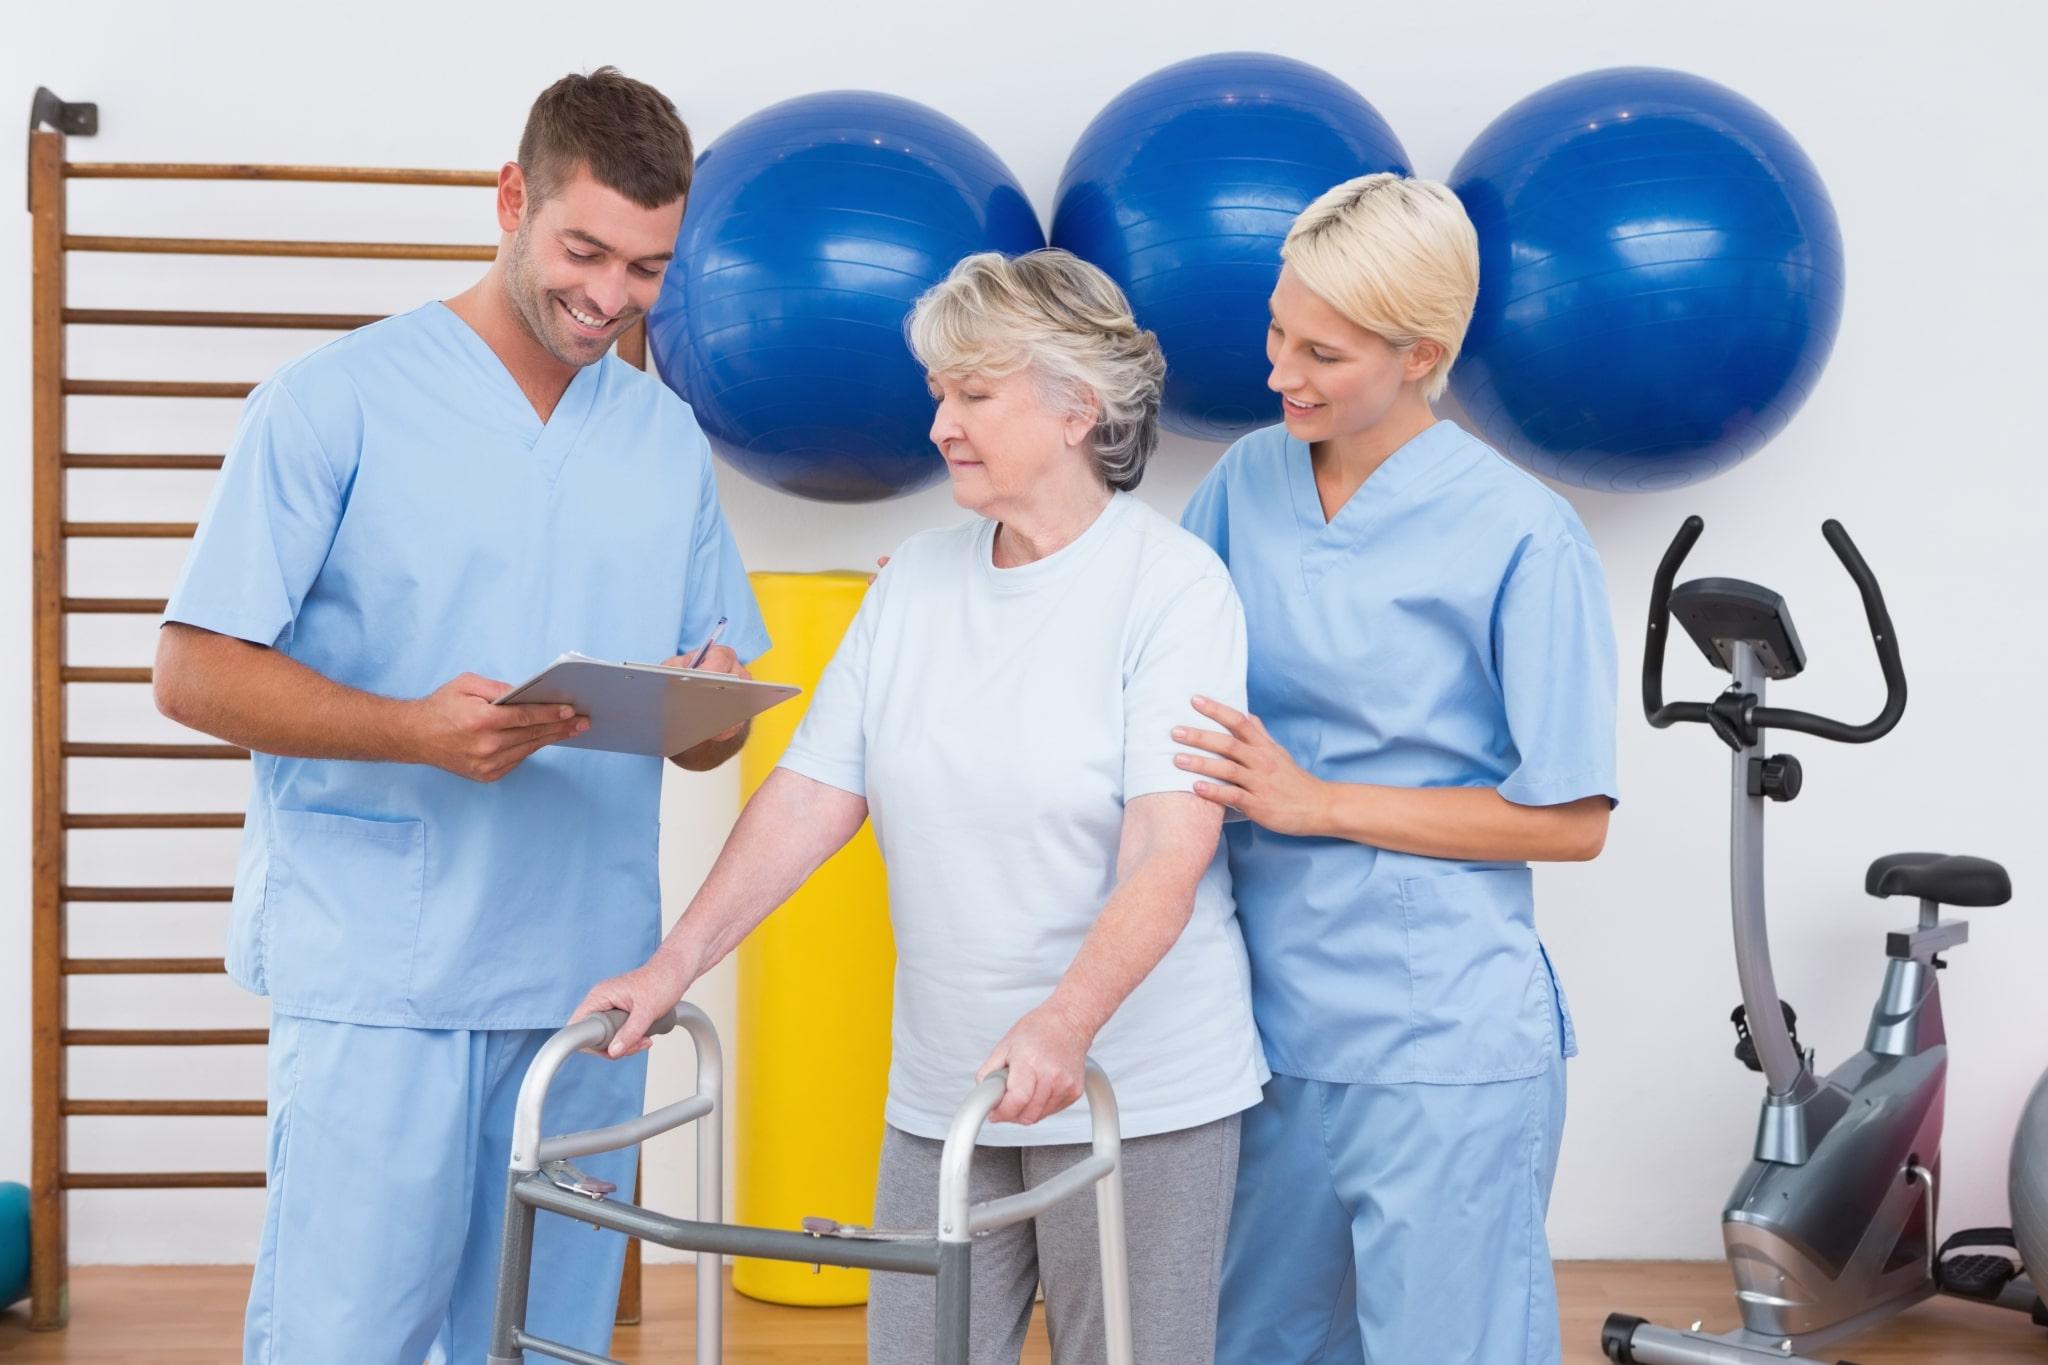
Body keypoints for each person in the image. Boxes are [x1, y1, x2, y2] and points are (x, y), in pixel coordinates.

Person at [151, 68, 766, 1365]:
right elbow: (193, 669)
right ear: (510, 200)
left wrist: (708, 707)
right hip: (387, 969)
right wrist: (408, 729)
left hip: (591, 980)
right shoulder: (334, 402)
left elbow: (718, 729)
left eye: (647, 268)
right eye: (584, 250)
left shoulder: (663, 441)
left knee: (551, 1342)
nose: (609, 298)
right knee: (347, 1339)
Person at [575, 249, 1266, 1364]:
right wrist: (674, 964)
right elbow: (806, 797)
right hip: (944, 1081)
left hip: (1129, 1084)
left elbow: (1166, 855)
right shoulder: (912, 583)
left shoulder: (1172, 590)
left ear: (1075, 406)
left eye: (973, 393)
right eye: (937, 390)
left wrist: (1065, 1020)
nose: (940, 419)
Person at [1175, 173, 1619, 1364]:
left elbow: (1572, 818)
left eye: (1321, 351)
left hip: (1438, 1039)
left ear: (1420, 352)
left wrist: (1315, 803)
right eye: (1275, 329)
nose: (1280, 373)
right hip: (1257, 1029)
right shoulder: (1241, 485)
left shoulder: (1522, 533)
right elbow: (1151, 684)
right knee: (1248, 1344)